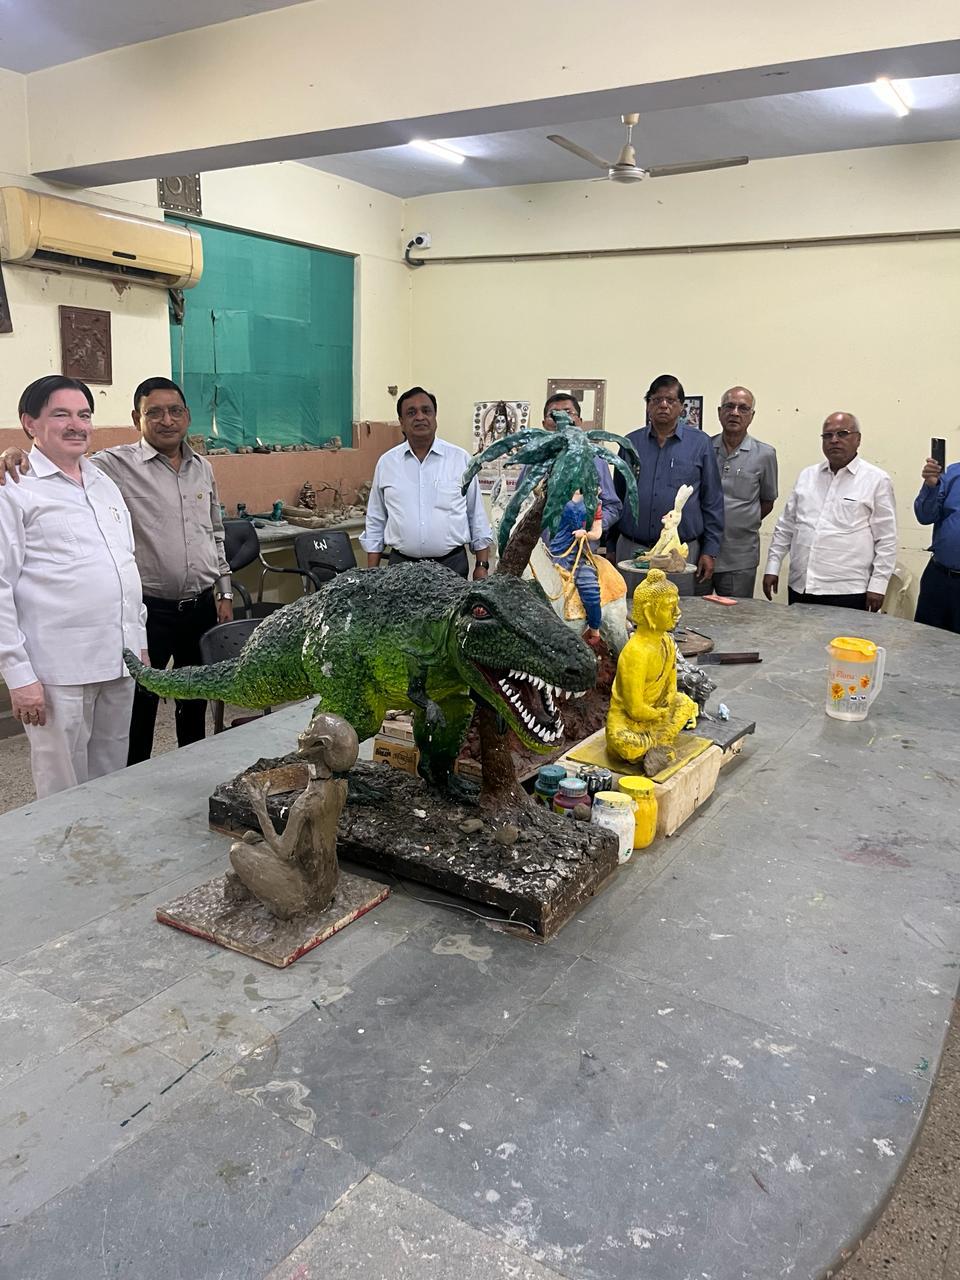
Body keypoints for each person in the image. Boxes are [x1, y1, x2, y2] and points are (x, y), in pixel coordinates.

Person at [0, 376, 234, 762]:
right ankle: (135, 775)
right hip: (151, 611)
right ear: (136, 419)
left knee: (194, 698)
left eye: (175, 411)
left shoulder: (202, 468)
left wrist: (224, 590)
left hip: (198, 606)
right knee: (137, 713)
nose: (166, 420)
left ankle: (191, 769)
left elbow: (215, 531)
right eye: (153, 412)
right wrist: (14, 453)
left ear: (188, 416)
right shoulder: (111, 466)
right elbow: (56, 460)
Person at [0, 376, 147, 799]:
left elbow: (125, 565)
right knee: (62, 789)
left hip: (118, 662)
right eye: (60, 414)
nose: (76, 424)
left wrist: (137, 642)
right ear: (29, 423)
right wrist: (18, 676)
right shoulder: (13, 487)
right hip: (58, 672)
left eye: (84, 415)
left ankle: (103, 841)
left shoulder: (103, 482)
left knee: (111, 777)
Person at [763, 413, 896, 611]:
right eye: (828, 435)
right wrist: (772, 567)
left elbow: (886, 539)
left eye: (842, 434)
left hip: (848, 590)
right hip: (802, 586)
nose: (834, 440)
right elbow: (786, 526)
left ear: (858, 439)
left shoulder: (876, 480)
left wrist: (878, 585)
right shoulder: (807, 476)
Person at [361, 386, 493, 579]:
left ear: (435, 417)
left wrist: (482, 565)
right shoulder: (387, 463)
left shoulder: (460, 460)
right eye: (411, 412)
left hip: (451, 566)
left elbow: (476, 515)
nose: (420, 417)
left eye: (426, 410)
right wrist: (371, 574)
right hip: (401, 568)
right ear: (401, 422)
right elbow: (376, 519)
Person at [613, 374, 724, 596]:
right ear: (648, 405)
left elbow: (712, 500)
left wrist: (710, 550)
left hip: (678, 552)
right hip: (633, 550)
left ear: (682, 407)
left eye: (671, 400)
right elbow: (617, 496)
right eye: (656, 400)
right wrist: (610, 545)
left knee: (675, 609)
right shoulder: (630, 443)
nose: (663, 405)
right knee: (631, 608)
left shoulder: (700, 443)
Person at [710, 386, 778, 598]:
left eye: (743, 408)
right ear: (719, 412)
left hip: (740, 557)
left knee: (736, 614)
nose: (735, 413)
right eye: (729, 406)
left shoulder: (765, 454)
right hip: (703, 552)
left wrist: (743, 521)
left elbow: (767, 501)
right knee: (695, 611)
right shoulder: (704, 448)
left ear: (752, 415)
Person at [542, 393, 622, 545]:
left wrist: (592, 524)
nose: (561, 419)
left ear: (579, 421)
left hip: (582, 550)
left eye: (568, 412)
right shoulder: (534, 462)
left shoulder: (596, 459)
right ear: (544, 424)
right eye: (553, 415)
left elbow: (612, 506)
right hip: (540, 552)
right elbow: (522, 505)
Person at [914, 451, 960, 633]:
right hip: (939, 577)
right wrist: (931, 486)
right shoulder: (953, 473)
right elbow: (925, 516)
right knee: (926, 639)